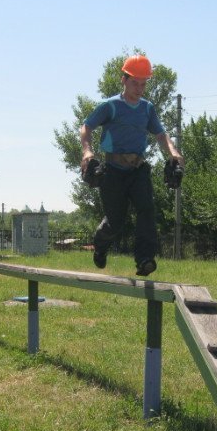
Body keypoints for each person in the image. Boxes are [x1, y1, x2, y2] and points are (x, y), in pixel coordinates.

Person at [80, 54, 184, 277]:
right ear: (124, 80)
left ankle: (145, 259)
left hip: (138, 170)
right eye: (135, 83)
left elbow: (161, 134)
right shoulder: (110, 106)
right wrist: (87, 151)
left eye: (144, 83)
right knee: (116, 222)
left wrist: (174, 152)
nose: (139, 88)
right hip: (112, 172)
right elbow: (86, 127)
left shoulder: (147, 109)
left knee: (146, 210)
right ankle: (100, 242)